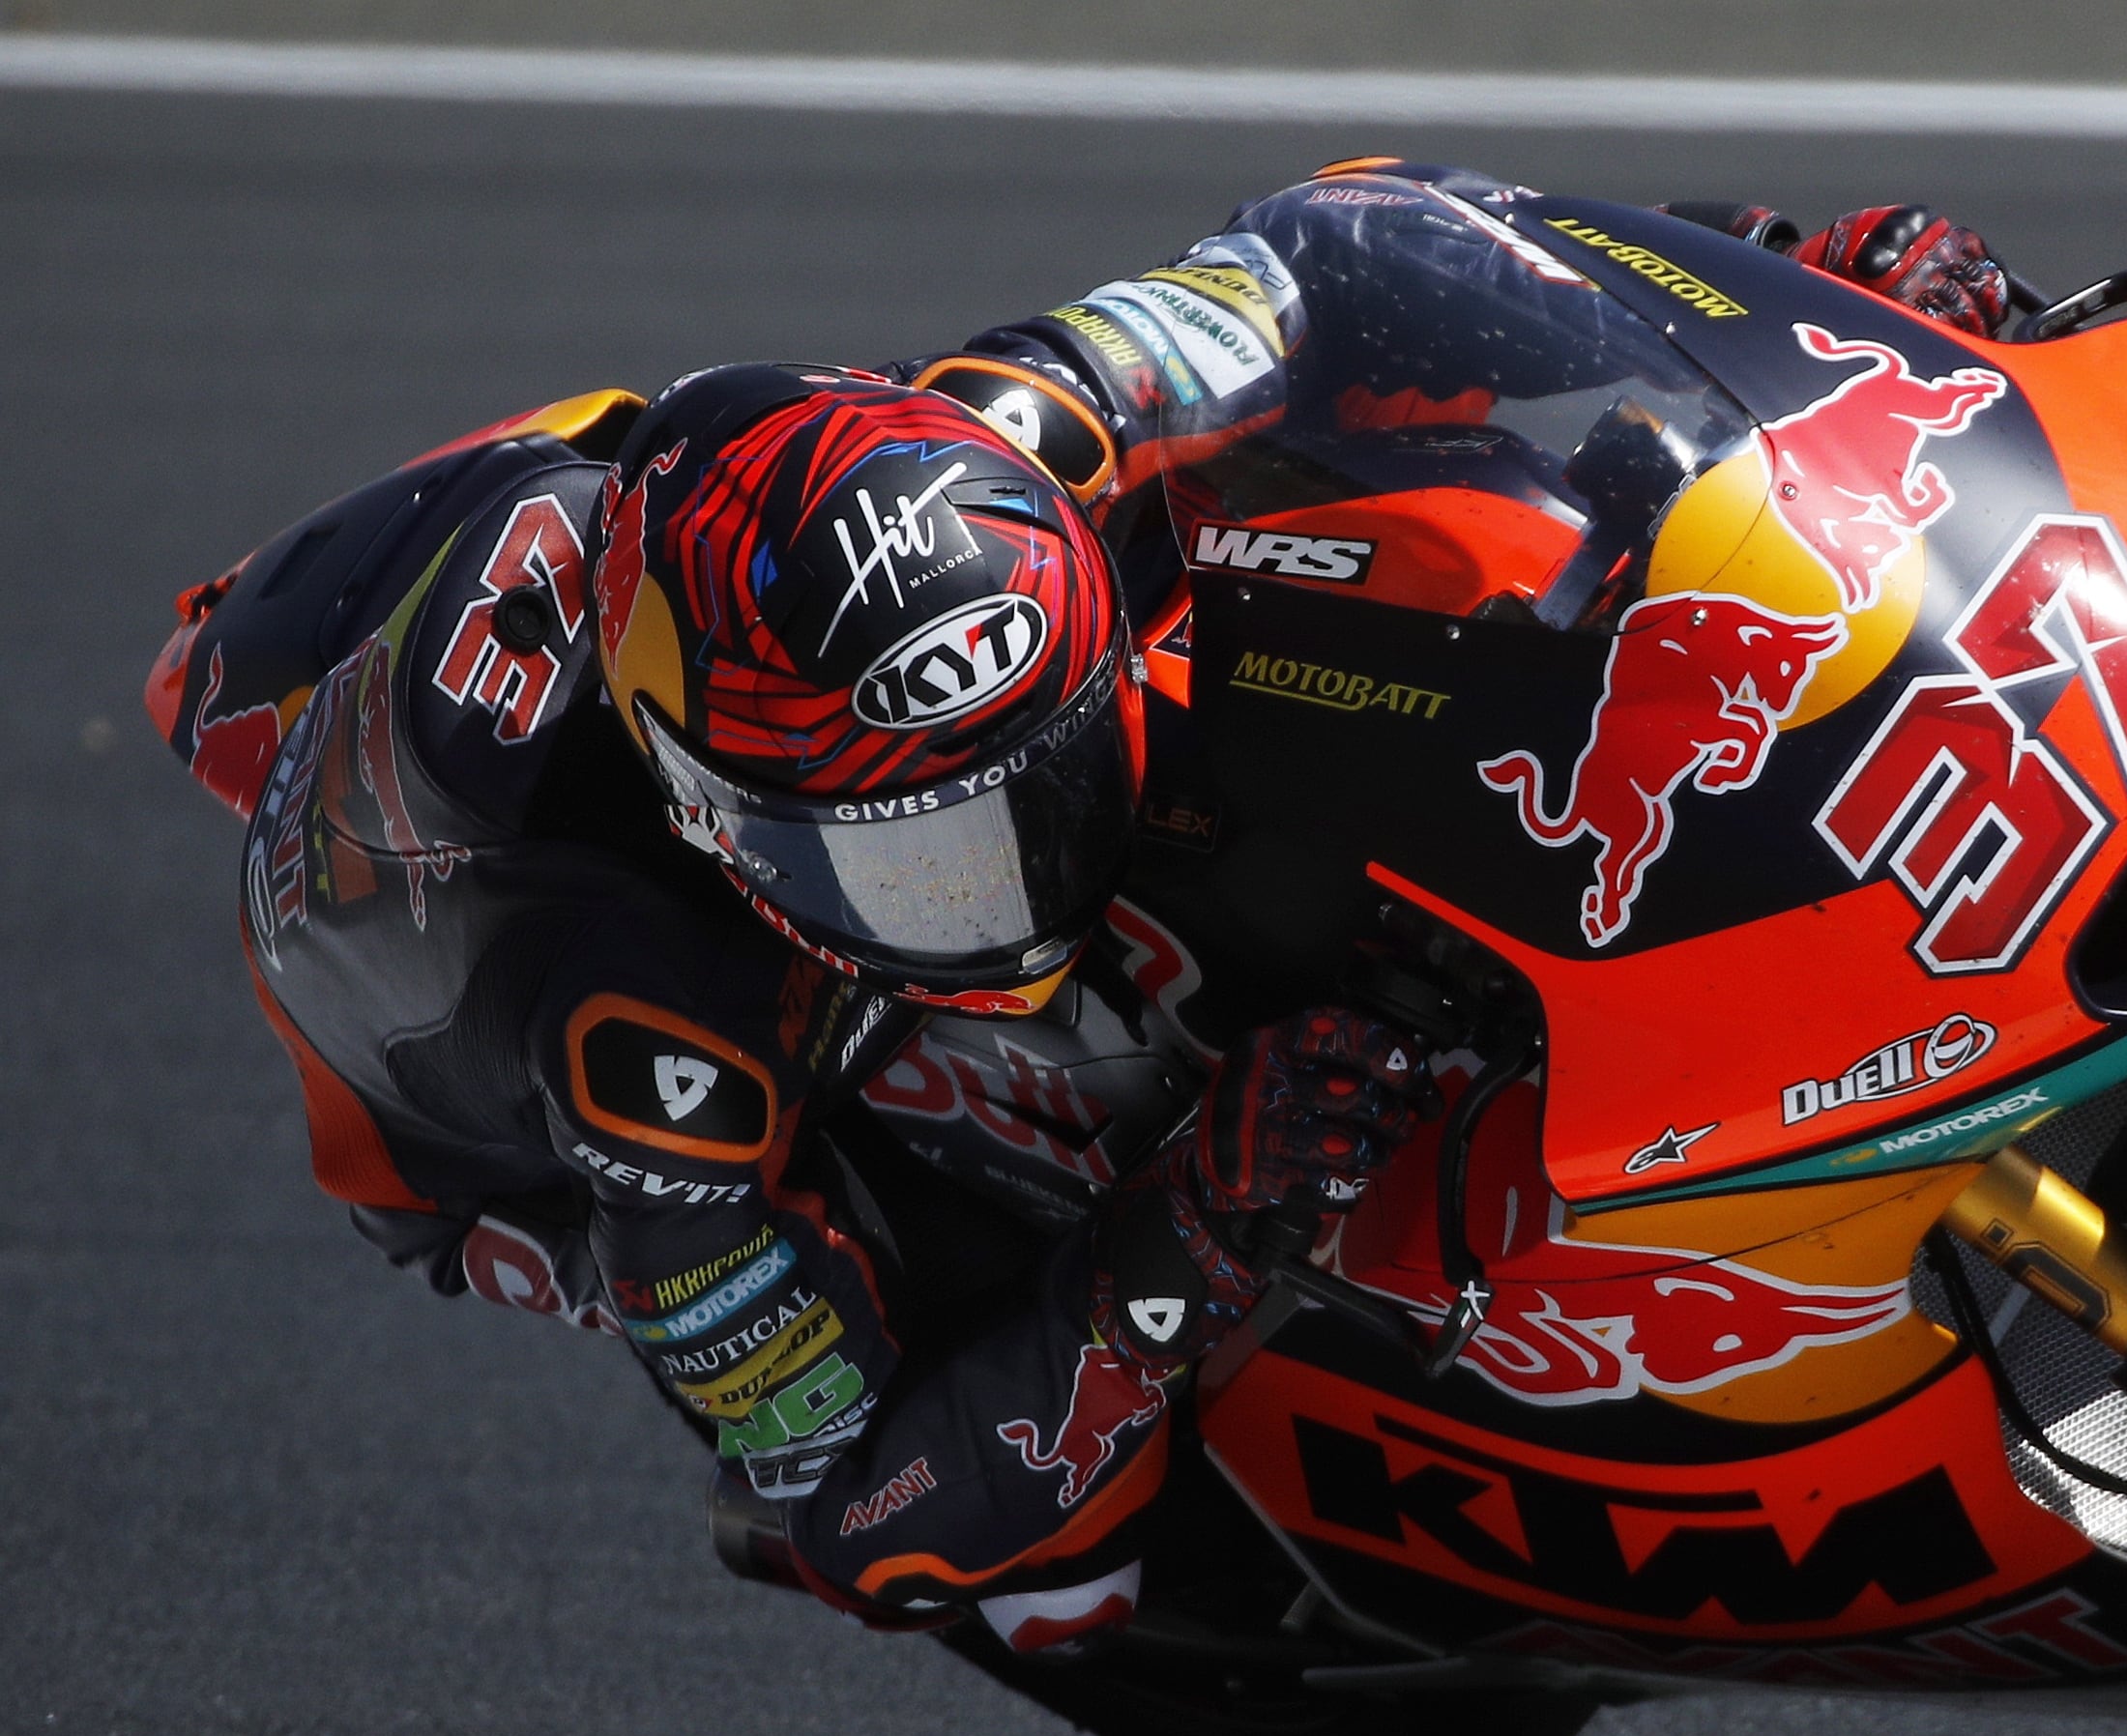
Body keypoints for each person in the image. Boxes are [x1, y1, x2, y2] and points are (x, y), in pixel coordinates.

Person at [141, 162, 2015, 1656]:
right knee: (1051, 1575)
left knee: (1389, 521)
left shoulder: (1012, 430)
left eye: (1041, 781)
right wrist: (1188, 1232)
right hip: (467, 1078)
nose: (1015, 886)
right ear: (736, 831)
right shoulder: (647, 1047)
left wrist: (1789, 311)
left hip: (603, 530)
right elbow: (856, 1504)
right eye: (923, 868)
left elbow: (1340, 259)